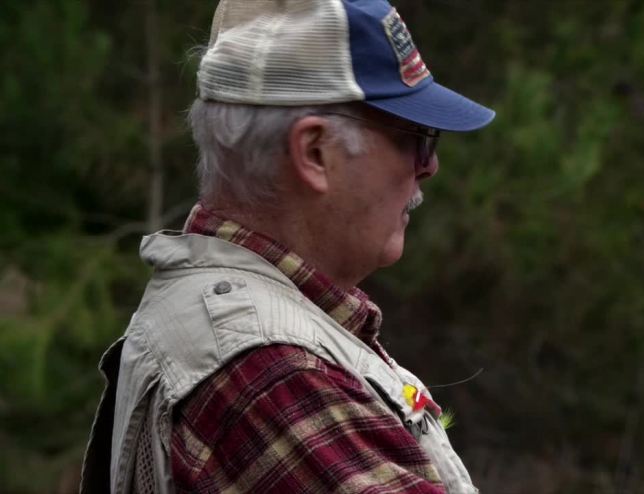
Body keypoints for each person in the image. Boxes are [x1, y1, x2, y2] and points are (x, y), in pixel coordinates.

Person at [80, 0, 494, 492]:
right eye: (417, 137)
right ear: (315, 152)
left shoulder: (259, 335)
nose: (429, 166)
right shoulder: (272, 372)